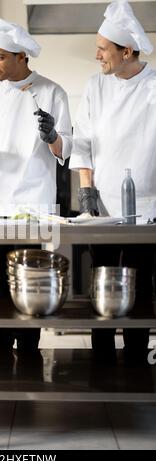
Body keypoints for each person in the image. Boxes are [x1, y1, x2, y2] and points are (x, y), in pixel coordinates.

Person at [0, 18, 72, 351]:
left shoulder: (52, 91)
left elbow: (65, 149)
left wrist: (52, 136)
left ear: (21, 56)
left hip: (33, 207)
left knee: (29, 281)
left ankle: (28, 351)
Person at [69, 1, 156, 362]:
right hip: (101, 206)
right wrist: (86, 189)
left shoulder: (154, 87)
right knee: (101, 283)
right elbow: (84, 141)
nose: (97, 56)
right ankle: (102, 359)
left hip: (148, 207)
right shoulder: (95, 86)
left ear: (127, 51)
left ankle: (136, 360)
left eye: (103, 49)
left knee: (140, 284)